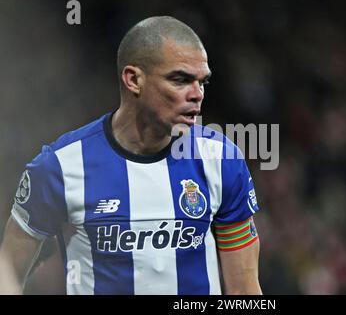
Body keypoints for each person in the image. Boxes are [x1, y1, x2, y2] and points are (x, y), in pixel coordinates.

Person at [0, 16, 262, 295]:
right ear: (134, 79)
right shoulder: (59, 167)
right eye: (181, 79)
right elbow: (8, 273)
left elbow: (244, 290)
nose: (197, 94)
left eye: (202, 82)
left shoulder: (222, 160)